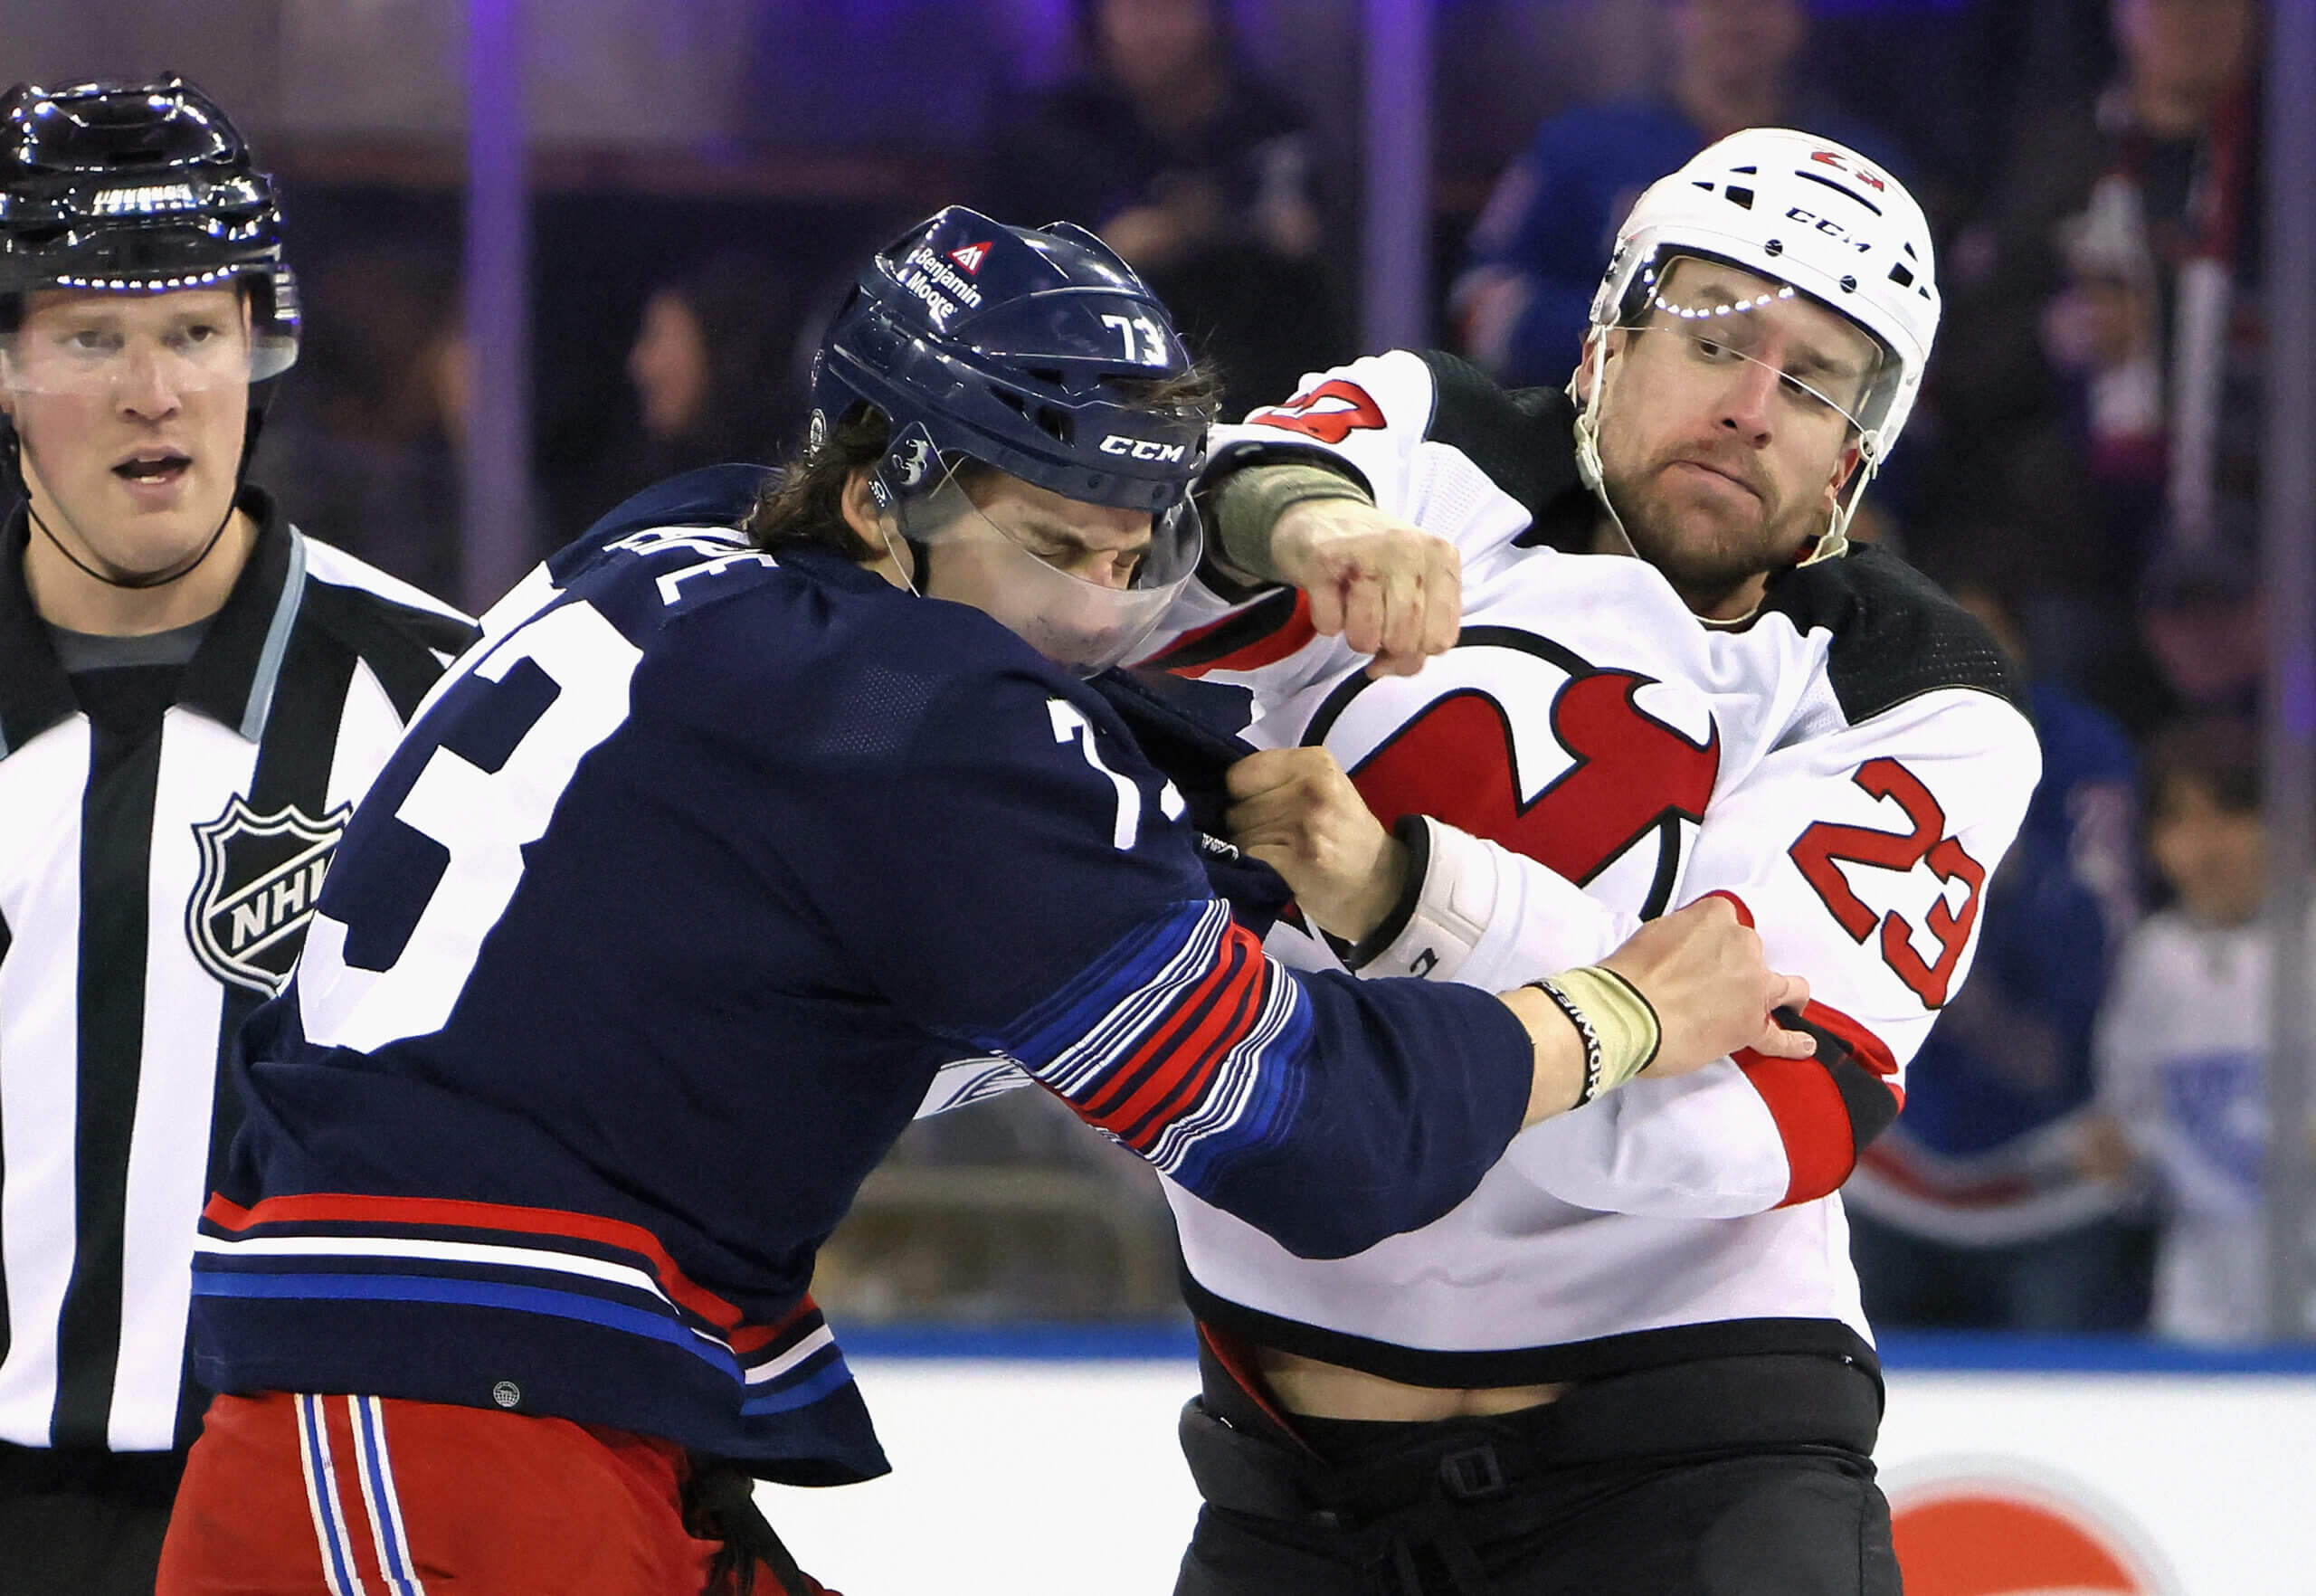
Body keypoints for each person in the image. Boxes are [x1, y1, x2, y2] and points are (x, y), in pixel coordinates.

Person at [154, 206, 1811, 1595]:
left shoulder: (682, 541)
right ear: (882, 488)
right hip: (443, 1417)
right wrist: (1619, 1012)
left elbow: (960, 779)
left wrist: (1250, 806)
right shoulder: (931, 717)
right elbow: (1307, 1131)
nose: (1099, 612)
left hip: (461, 1382)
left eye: (1130, 552)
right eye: (1049, 542)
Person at [1128, 129, 2042, 1594]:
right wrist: (1309, 523)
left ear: (1852, 462)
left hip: (1692, 1469)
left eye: (1817, 379)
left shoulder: (1922, 692)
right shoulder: (1432, 440)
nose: (1752, 405)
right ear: (1610, 333)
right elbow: (1152, 539)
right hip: (1291, 1485)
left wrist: (1409, 900)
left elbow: (1764, 1116)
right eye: (1716, 328)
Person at [0, 76, 479, 1595]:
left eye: (196, 331)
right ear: (3, 365)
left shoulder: (446, 700)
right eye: (93, 336)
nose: (156, 390)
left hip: (313, 1502)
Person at [1843, 580, 2147, 1330]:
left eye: (1984, 632)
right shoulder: (1851, 729)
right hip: (1885, 1166)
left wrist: (2020, 881)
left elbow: (2096, 971)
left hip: (2053, 1174)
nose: (1962, 652)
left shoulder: (2080, 751)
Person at [1453, 0, 1903, 388]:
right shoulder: (1580, 146)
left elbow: (1897, 347)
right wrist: (1657, 332)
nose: (1737, 17)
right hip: (1580, 446)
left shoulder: (1862, 175)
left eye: (1761, 1)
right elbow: (1480, 303)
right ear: (1676, 15)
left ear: (1798, 17)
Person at [980, 0, 1350, 419]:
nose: (1154, 28)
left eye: (1172, 7)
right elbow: (1037, 270)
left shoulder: (1266, 122)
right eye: (1135, 9)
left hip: (1261, 389)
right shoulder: (1050, 133)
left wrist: (1203, 221)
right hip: (1093, 396)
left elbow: (1299, 238)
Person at [2088, 715, 2292, 1343]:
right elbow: (2130, 1123)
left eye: (2229, 816)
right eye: (2179, 820)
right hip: (2196, 1307)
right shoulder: (2155, 958)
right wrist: (2118, 1156)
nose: (2206, 847)